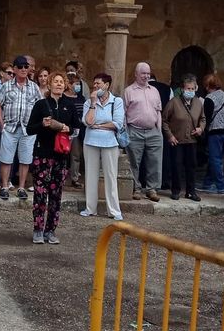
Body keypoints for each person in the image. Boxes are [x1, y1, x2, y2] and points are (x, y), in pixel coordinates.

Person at [26, 73, 77, 244]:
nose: (59, 84)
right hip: (43, 155)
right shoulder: (41, 104)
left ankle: (51, 230)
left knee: (56, 195)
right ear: (49, 84)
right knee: (40, 194)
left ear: (65, 85)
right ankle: (38, 229)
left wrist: (65, 128)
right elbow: (29, 129)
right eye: (55, 81)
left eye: (61, 82)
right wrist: (43, 124)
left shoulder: (69, 105)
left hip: (61, 156)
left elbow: (76, 127)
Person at [0, 55, 43, 201]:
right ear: (15, 69)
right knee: (6, 158)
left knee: (25, 159)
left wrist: (36, 124)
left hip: (28, 129)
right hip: (10, 127)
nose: (23, 69)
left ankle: (21, 187)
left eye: (26, 67)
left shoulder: (34, 87)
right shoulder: (6, 86)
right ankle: (4, 186)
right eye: (20, 67)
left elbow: (40, 106)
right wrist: (1, 123)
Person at [79, 73, 125, 221]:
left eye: (98, 84)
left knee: (111, 175)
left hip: (110, 142)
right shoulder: (88, 102)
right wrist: (93, 103)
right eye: (94, 84)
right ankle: (90, 208)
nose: (95, 86)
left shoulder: (116, 101)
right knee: (90, 175)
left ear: (107, 85)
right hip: (90, 141)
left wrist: (98, 126)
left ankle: (114, 210)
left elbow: (117, 123)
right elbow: (87, 121)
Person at [123, 62, 166, 202]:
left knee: (155, 162)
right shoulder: (129, 91)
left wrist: (159, 129)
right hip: (134, 131)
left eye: (148, 73)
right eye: (143, 73)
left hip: (153, 131)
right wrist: (125, 131)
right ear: (136, 74)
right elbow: (123, 112)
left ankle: (152, 189)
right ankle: (136, 188)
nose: (146, 76)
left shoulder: (154, 90)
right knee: (134, 162)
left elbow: (158, 111)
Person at [162, 74, 206, 202]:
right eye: (188, 89)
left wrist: (201, 128)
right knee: (176, 165)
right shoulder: (174, 102)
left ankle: (191, 192)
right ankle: (176, 191)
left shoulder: (198, 103)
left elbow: (203, 118)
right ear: (182, 89)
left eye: (192, 89)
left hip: (192, 140)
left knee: (191, 166)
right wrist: (169, 135)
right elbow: (164, 120)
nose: (190, 91)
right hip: (177, 140)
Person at [201, 74, 224, 195]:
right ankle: (207, 183)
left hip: (216, 131)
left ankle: (221, 186)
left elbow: (207, 117)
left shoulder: (209, 98)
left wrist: (203, 130)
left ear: (207, 85)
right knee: (217, 158)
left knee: (215, 159)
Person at [65, 61, 90, 188]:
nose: (77, 86)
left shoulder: (82, 99)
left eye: (78, 84)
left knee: (76, 154)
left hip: (78, 129)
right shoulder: (63, 98)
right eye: (74, 84)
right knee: (62, 154)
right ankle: (61, 177)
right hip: (65, 129)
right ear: (68, 85)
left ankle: (74, 178)